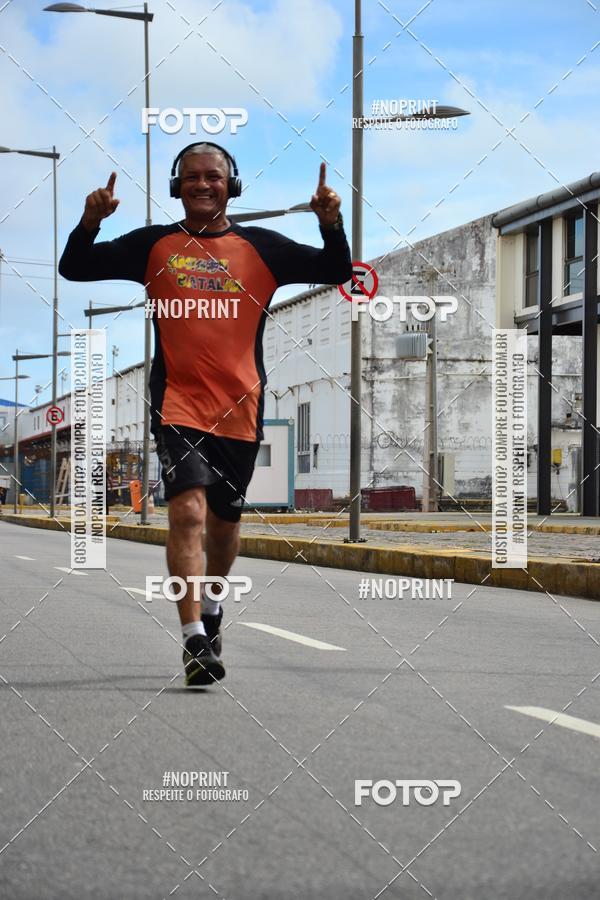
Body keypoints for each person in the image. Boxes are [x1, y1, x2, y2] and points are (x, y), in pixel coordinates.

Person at [59, 141, 352, 686]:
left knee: (223, 528)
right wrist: (89, 220)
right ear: (177, 186)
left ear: (230, 185)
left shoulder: (261, 247)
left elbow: (335, 270)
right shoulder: (153, 246)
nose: (202, 185)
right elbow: (74, 267)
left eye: (212, 176)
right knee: (188, 514)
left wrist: (331, 224)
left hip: (240, 412)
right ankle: (194, 638)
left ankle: (213, 607)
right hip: (177, 406)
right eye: (191, 177)